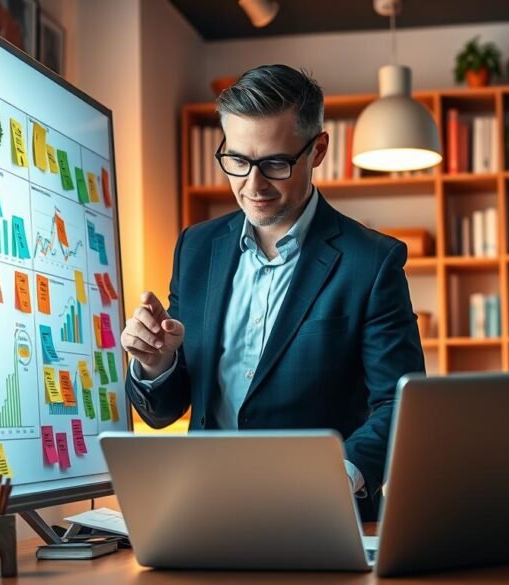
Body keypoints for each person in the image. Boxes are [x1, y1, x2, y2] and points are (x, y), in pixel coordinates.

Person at [120, 64, 425, 519]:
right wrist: (156, 362)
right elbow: (164, 411)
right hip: (206, 512)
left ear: (318, 150)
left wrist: (338, 477)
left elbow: (400, 402)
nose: (253, 185)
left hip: (323, 517)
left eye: (275, 164)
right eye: (237, 161)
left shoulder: (372, 261)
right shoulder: (196, 248)